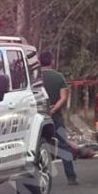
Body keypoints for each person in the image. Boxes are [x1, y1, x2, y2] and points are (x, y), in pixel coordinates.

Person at [39, 52, 78, 185]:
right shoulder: (59, 77)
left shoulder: (35, 77)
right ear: (52, 61)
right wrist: (54, 109)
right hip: (55, 117)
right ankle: (71, 176)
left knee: (39, 146)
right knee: (63, 144)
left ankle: (41, 177)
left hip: (38, 116)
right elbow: (63, 97)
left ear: (39, 62)